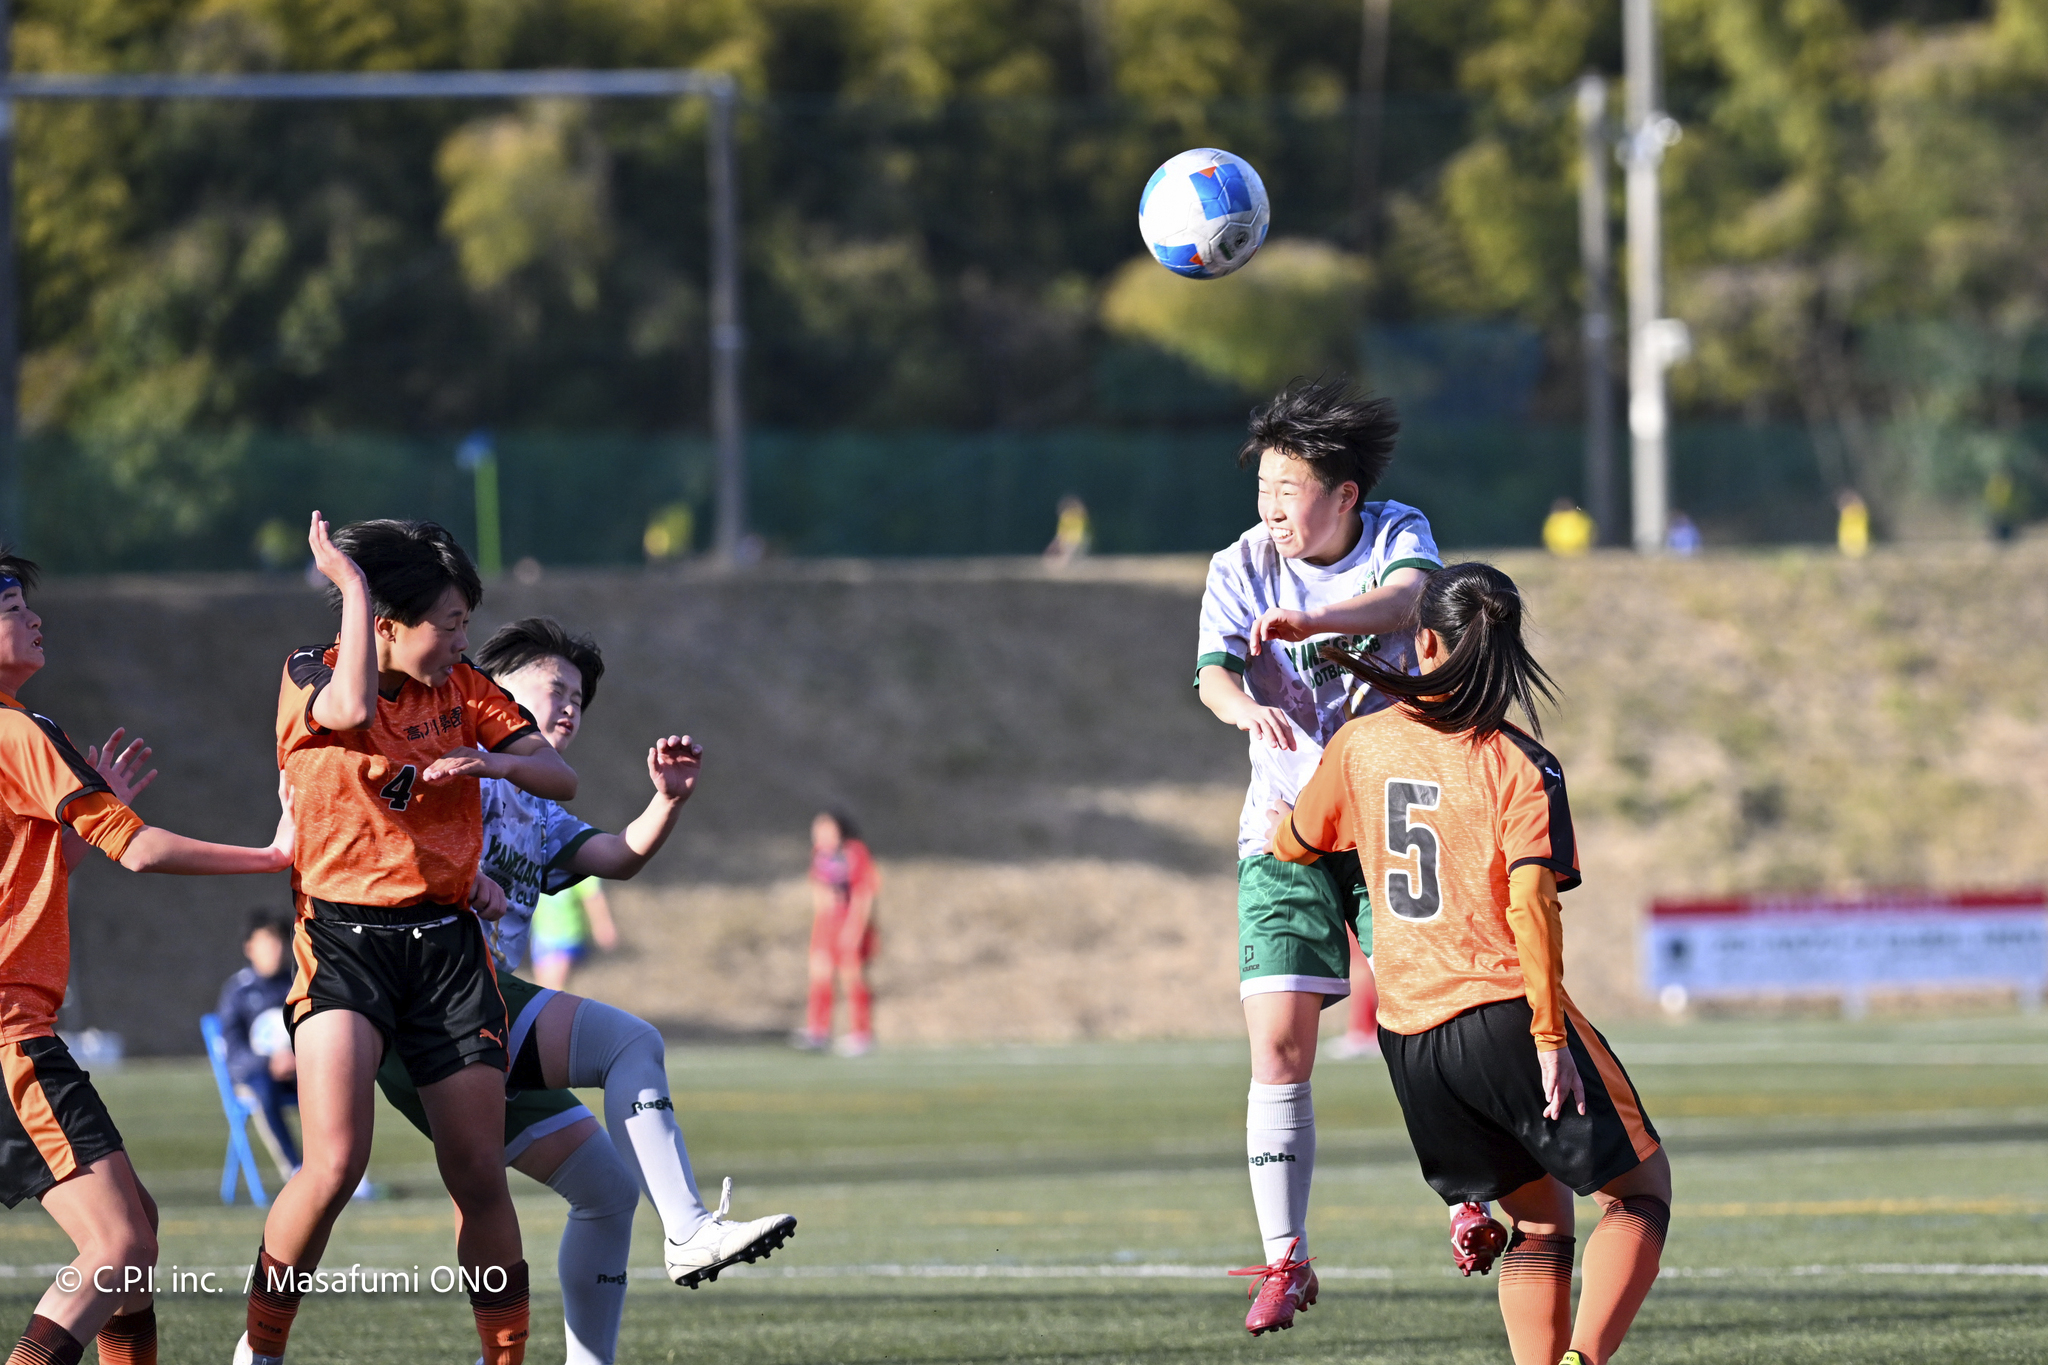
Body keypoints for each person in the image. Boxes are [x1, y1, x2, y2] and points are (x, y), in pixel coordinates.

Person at [1269, 561, 1672, 1365]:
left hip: (1411, 1040)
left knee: (1540, 1220)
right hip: (1502, 1019)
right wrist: (1550, 1040)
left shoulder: (1359, 745)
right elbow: (1532, 907)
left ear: (1424, 643)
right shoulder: (1520, 762)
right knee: (1641, 1193)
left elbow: (1294, 843)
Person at [373, 617, 796, 1365]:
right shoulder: (453, 760)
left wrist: (667, 801)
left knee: (606, 1192)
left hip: (476, 1022)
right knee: (630, 1043)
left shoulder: (537, 808)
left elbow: (618, 854)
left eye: (579, 699)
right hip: (436, 1000)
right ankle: (689, 1230)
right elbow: (383, 835)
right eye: (555, 689)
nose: (570, 706)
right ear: (495, 692)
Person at [237, 515, 578, 1365]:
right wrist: (353, 585)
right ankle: (261, 1348)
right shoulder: (309, 673)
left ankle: (503, 1357)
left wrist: (496, 762)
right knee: (335, 1163)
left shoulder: (464, 688)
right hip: (344, 941)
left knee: (477, 1170)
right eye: (450, 622)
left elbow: (559, 774)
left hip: (448, 948)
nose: (463, 638)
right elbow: (353, 707)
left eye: (465, 621)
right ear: (387, 623)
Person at [1193, 377, 1446, 1335]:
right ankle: (1285, 1259)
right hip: (1283, 828)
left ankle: (1469, 1196)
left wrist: (1316, 623)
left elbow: (1409, 598)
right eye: (1262, 487)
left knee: (1431, 1021)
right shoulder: (1241, 563)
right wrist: (1242, 708)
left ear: (1344, 494)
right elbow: (1214, 673)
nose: (1270, 507)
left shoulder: (1396, 533)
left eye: (1287, 489)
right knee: (1278, 1042)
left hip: (1389, 823)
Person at [0, 549, 295, 1365]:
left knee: (138, 1228)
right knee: (119, 1245)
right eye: (12, 608)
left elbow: (31, 869)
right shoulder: (20, 731)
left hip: (17, 1032)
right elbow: (139, 851)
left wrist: (91, 820)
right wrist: (272, 855)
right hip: (10, 1037)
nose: (34, 618)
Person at [217, 911, 301, 1180]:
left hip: (299, 1070)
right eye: (266, 942)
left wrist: (299, 1059)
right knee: (264, 1090)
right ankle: (295, 1169)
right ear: (249, 948)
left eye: (279, 941)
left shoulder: (298, 985)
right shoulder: (238, 992)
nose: (275, 949)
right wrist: (268, 1062)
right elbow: (233, 1052)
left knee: (331, 1084)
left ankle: (344, 1170)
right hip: (257, 1076)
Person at [795, 811, 879, 1057]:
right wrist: (821, 922)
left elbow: (864, 892)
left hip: (850, 920)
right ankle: (818, 1031)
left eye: (826, 829)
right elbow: (819, 888)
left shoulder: (854, 852)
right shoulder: (819, 854)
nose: (820, 834)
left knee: (852, 976)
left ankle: (862, 1034)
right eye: (817, 829)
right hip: (826, 923)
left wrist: (855, 928)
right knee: (819, 973)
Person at [528, 880, 617, 990]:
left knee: (552, 986)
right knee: (543, 986)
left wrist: (602, 925)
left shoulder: (579, 872)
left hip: (568, 936)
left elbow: (592, 896)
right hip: (541, 934)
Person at [1044, 494, 1092, 565]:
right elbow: (1061, 532)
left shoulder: (1075, 517)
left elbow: (1063, 533)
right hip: (1071, 541)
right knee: (1071, 558)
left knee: (1070, 557)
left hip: (1074, 541)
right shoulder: (1068, 517)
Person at [1836, 488, 1870, 558]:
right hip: (1852, 539)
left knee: (1853, 556)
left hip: (1856, 539)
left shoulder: (1849, 512)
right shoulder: (1858, 512)